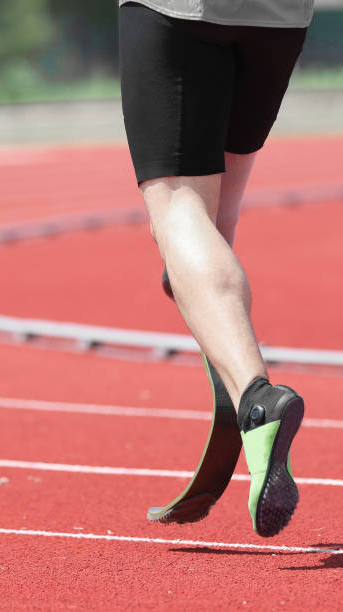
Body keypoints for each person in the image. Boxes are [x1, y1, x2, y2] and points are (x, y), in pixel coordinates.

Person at [118, 1, 314, 537]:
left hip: (178, 10)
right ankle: (197, 287)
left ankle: (256, 399)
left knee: (179, 210)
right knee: (212, 228)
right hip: (279, 19)